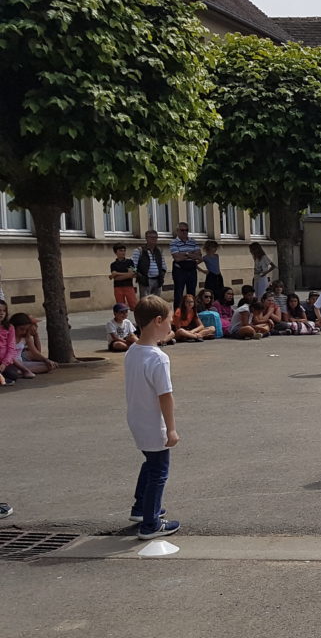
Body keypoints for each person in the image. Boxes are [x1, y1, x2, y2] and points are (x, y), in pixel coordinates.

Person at [123, 295, 182, 540]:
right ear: (158, 321)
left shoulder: (133, 350)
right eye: (169, 321)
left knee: (150, 464)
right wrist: (171, 429)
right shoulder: (158, 357)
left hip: (137, 419)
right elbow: (165, 396)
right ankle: (151, 523)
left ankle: (141, 508)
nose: (171, 326)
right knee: (159, 470)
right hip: (153, 422)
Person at [169, 222, 202, 306]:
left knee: (191, 293)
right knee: (178, 293)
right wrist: (191, 255)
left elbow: (199, 256)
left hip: (191, 270)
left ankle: (191, 313)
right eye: (182, 230)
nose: (184, 232)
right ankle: (178, 314)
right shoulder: (174, 242)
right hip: (180, 270)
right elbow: (177, 258)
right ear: (177, 231)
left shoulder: (193, 241)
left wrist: (185, 254)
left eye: (186, 230)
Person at [132, 230, 166, 298]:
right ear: (146, 238)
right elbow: (132, 266)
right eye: (151, 237)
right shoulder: (139, 251)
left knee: (156, 302)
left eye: (156, 237)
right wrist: (139, 276)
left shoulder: (159, 250)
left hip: (158, 280)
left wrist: (162, 275)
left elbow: (163, 266)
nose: (154, 239)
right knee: (146, 302)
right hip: (145, 281)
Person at [109, 243, 139, 310]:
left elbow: (133, 274)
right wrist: (126, 275)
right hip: (118, 287)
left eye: (124, 250)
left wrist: (117, 273)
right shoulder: (113, 264)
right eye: (121, 251)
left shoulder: (130, 262)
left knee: (134, 306)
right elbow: (116, 278)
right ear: (116, 252)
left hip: (128, 286)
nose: (123, 252)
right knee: (120, 307)